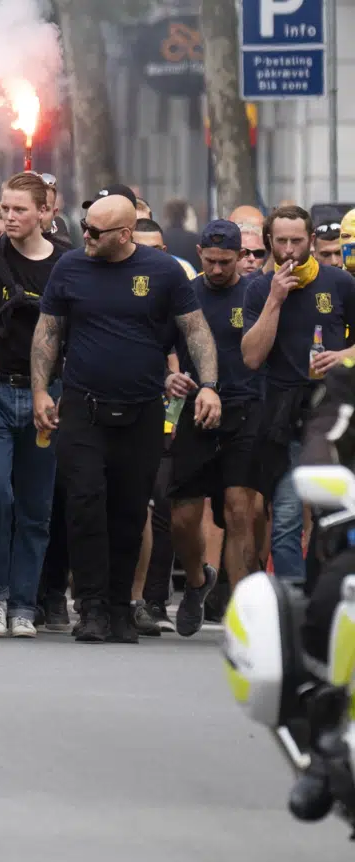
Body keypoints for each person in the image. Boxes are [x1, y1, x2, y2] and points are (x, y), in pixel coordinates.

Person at [31, 185, 221, 643]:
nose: (87, 237)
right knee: (85, 505)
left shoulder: (162, 272)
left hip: (141, 414)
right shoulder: (70, 267)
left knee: (129, 511)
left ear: (124, 232)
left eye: (96, 231)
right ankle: (91, 608)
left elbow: (195, 332)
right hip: (83, 408)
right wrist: (41, 391)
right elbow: (47, 333)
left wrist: (210, 386)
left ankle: (120, 607)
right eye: (85, 228)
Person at [0, 172, 62, 639]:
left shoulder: (67, 263)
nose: (10, 216)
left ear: (46, 212)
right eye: (5, 208)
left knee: (36, 506)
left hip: (50, 393)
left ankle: (25, 603)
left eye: (21, 209)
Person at [241, 204, 355, 583]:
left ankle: (328, 592)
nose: (289, 249)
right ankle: (292, 601)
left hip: (333, 412)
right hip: (284, 415)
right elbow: (252, 356)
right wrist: (274, 299)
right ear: (269, 242)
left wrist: (344, 355)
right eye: (282, 241)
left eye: (297, 241)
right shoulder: (259, 289)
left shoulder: (339, 283)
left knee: (331, 513)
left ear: (311, 240)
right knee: (287, 517)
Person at [163, 220, 263, 635]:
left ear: (241, 256)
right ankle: (197, 581)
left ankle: (242, 616)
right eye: (211, 261)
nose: (218, 269)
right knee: (183, 517)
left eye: (226, 261)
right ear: (200, 253)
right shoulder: (184, 293)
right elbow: (158, 346)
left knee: (240, 509)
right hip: (193, 412)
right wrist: (166, 378)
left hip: (244, 409)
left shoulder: (255, 292)